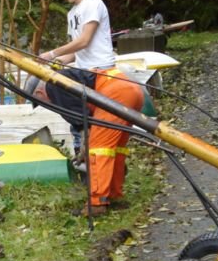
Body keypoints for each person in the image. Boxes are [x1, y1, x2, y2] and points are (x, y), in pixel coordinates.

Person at [24, 69, 144, 216]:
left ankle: (97, 203)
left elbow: (82, 121)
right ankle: (113, 196)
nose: (47, 106)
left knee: (99, 150)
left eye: (40, 103)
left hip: (115, 93)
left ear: (39, 93)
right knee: (115, 149)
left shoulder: (53, 86)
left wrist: (85, 148)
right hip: (131, 90)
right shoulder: (65, 78)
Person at [38, 0, 117, 156]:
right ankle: (80, 144)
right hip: (83, 70)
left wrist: (52, 53)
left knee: (55, 84)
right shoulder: (72, 13)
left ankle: (86, 128)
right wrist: (55, 61)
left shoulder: (93, 4)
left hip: (99, 70)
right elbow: (75, 52)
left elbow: (84, 41)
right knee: (51, 85)